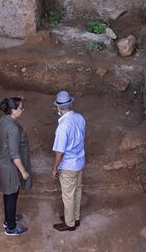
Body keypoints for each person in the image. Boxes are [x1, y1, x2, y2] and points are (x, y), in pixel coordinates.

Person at [0, 97, 32, 236]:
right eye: (20, 108)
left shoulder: (2, 120)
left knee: (7, 193)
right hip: (8, 166)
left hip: (1, 162)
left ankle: (8, 219)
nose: (22, 110)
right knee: (12, 195)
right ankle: (11, 228)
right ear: (13, 110)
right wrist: (23, 172)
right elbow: (14, 154)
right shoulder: (13, 128)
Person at [51, 90, 86, 232]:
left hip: (68, 166)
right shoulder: (80, 117)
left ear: (58, 108)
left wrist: (55, 168)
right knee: (77, 191)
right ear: (70, 104)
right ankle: (75, 218)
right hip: (80, 161)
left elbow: (60, 151)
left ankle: (70, 223)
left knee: (68, 196)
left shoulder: (63, 127)